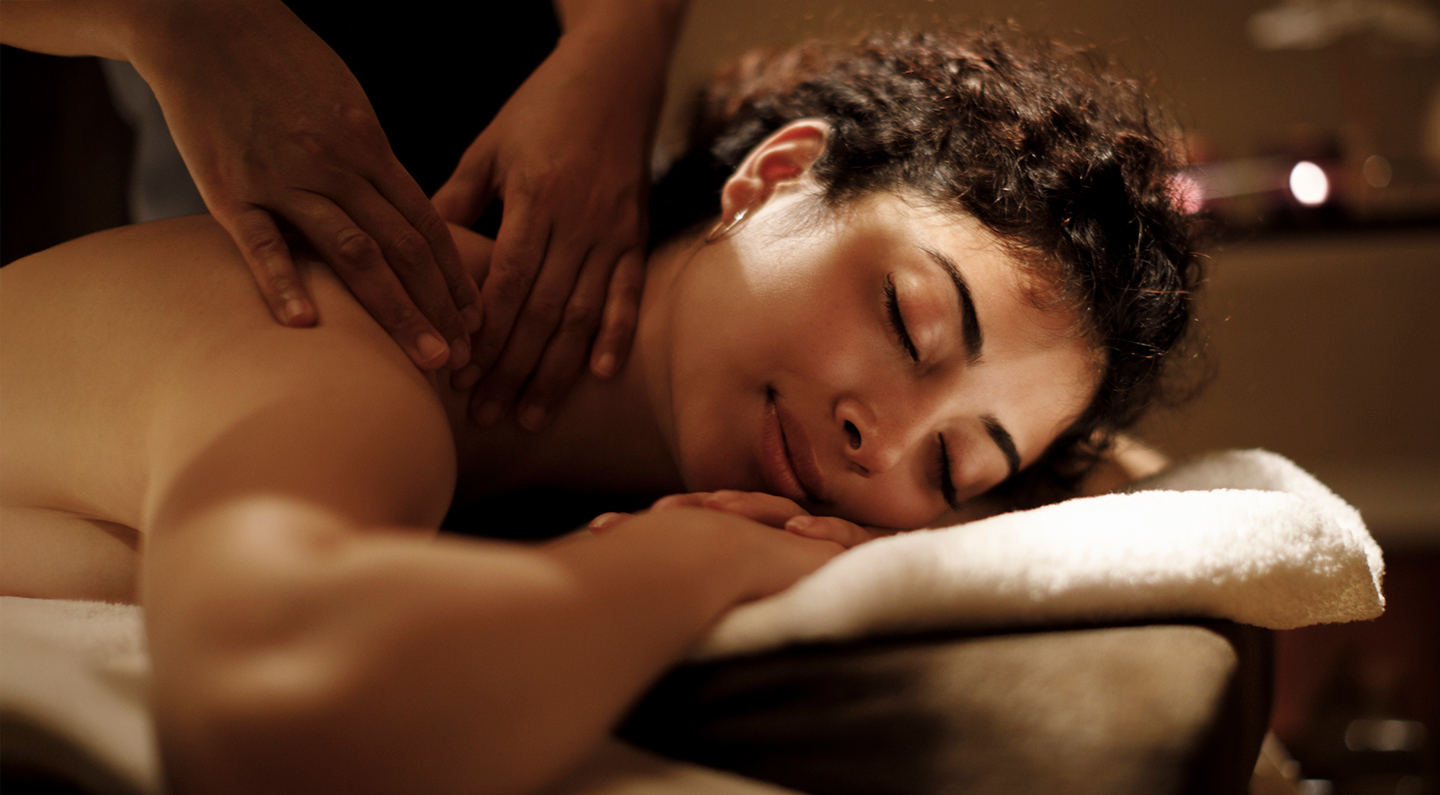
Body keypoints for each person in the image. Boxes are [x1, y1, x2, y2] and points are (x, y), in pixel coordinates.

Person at [0, 28, 1201, 795]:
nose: (879, 440)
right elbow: (269, 717)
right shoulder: (360, 346)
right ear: (774, 177)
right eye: (906, 320)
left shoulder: (516, 462)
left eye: (952, 466)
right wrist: (700, 560)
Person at [0, 0, 686, 429]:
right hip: (260, 277)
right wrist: (180, 19)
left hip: (569, 171)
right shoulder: (308, 390)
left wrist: (621, 40)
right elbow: (260, 612)